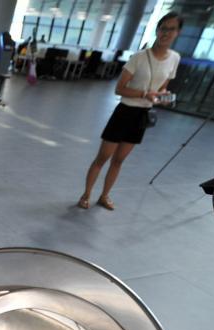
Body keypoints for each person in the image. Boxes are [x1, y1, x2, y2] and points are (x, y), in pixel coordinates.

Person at [78, 12, 182, 210]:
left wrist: (162, 97)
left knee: (119, 160)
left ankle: (104, 196)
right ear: (157, 30)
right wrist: (144, 94)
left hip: (141, 116)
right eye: (163, 28)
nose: (166, 33)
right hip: (124, 111)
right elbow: (119, 89)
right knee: (102, 158)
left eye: (171, 29)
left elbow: (162, 88)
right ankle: (86, 194)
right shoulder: (139, 57)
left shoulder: (174, 58)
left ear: (178, 33)